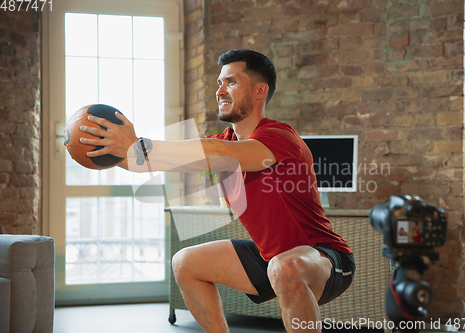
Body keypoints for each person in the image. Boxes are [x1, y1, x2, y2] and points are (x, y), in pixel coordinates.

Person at [80, 49, 355, 333]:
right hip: (270, 259)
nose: (220, 91)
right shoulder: (221, 141)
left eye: (231, 82)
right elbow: (151, 162)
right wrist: (106, 149)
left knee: (285, 268)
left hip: (325, 258)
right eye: (219, 83)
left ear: (260, 90)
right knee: (185, 262)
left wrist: (138, 143)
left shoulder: (280, 137)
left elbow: (221, 153)